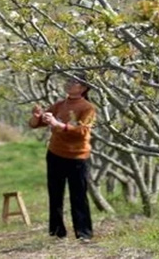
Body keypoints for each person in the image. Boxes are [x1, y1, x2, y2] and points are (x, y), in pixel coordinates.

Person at [29, 73, 96, 241]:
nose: (68, 84)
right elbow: (35, 124)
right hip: (55, 154)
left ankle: (83, 233)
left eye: (73, 82)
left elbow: (82, 132)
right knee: (55, 194)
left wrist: (58, 125)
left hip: (77, 157)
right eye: (68, 80)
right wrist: (37, 117)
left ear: (83, 88)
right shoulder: (60, 105)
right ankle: (57, 232)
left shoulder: (87, 108)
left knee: (78, 196)